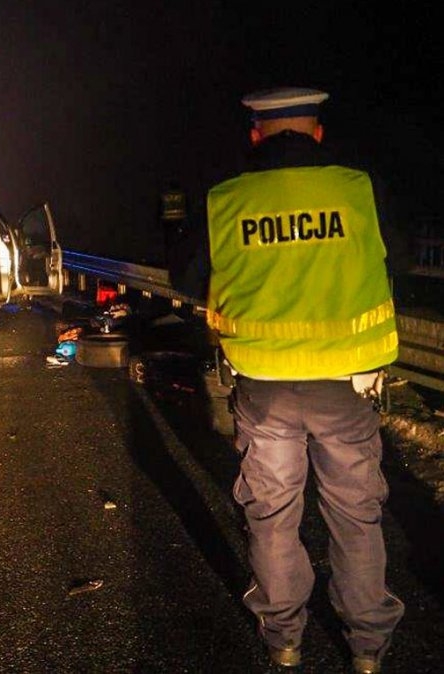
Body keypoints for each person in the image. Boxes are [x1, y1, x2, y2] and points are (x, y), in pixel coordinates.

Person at [204, 87, 406, 673]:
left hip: (264, 385)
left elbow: (195, 275)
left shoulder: (226, 200)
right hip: (346, 386)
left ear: (255, 135)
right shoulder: (358, 189)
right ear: (318, 133)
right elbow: (392, 264)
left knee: (271, 514)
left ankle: (284, 639)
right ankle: (368, 650)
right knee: (355, 515)